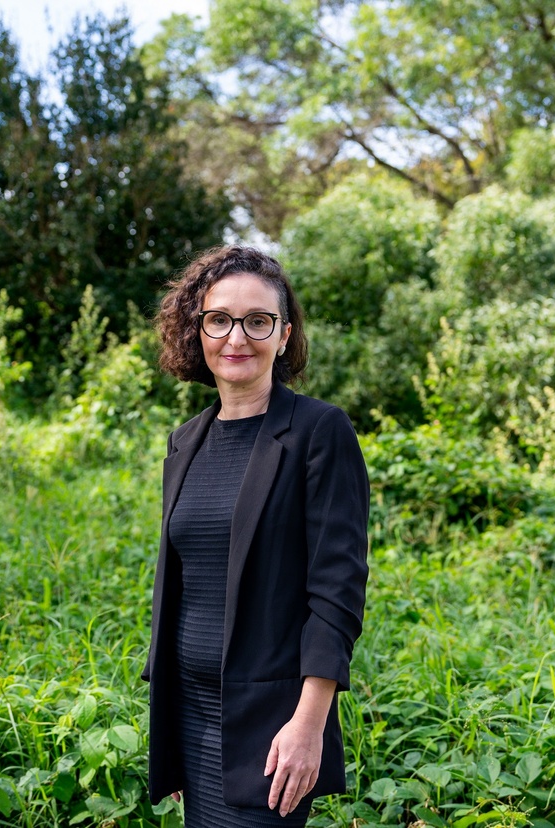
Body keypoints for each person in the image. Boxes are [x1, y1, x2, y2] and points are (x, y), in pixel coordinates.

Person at [142, 245, 369, 827]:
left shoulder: (320, 432)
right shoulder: (184, 442)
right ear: (197, 330)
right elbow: (184, 584)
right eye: (218, 319)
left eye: (257, 320)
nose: (235, 336)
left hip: (271, 725)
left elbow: (337, 592)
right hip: (190, 716)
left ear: (284, 334)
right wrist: (169, 735)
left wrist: (308, 724)